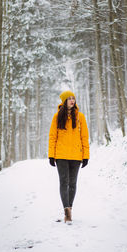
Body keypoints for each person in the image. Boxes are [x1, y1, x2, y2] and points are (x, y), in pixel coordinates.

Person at [48, 90, 90, 223]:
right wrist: (51, 155)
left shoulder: (80, 117)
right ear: (64, 101)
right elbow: (52, 137)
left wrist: (86, 156)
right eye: (69, 98)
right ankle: (66, 210)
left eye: (73, 98)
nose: (72, 100)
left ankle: (69, 208)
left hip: (76, 156)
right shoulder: (57, 117)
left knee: (72, 184)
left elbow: (84, 137)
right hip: (61, 156)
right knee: (63, 182)